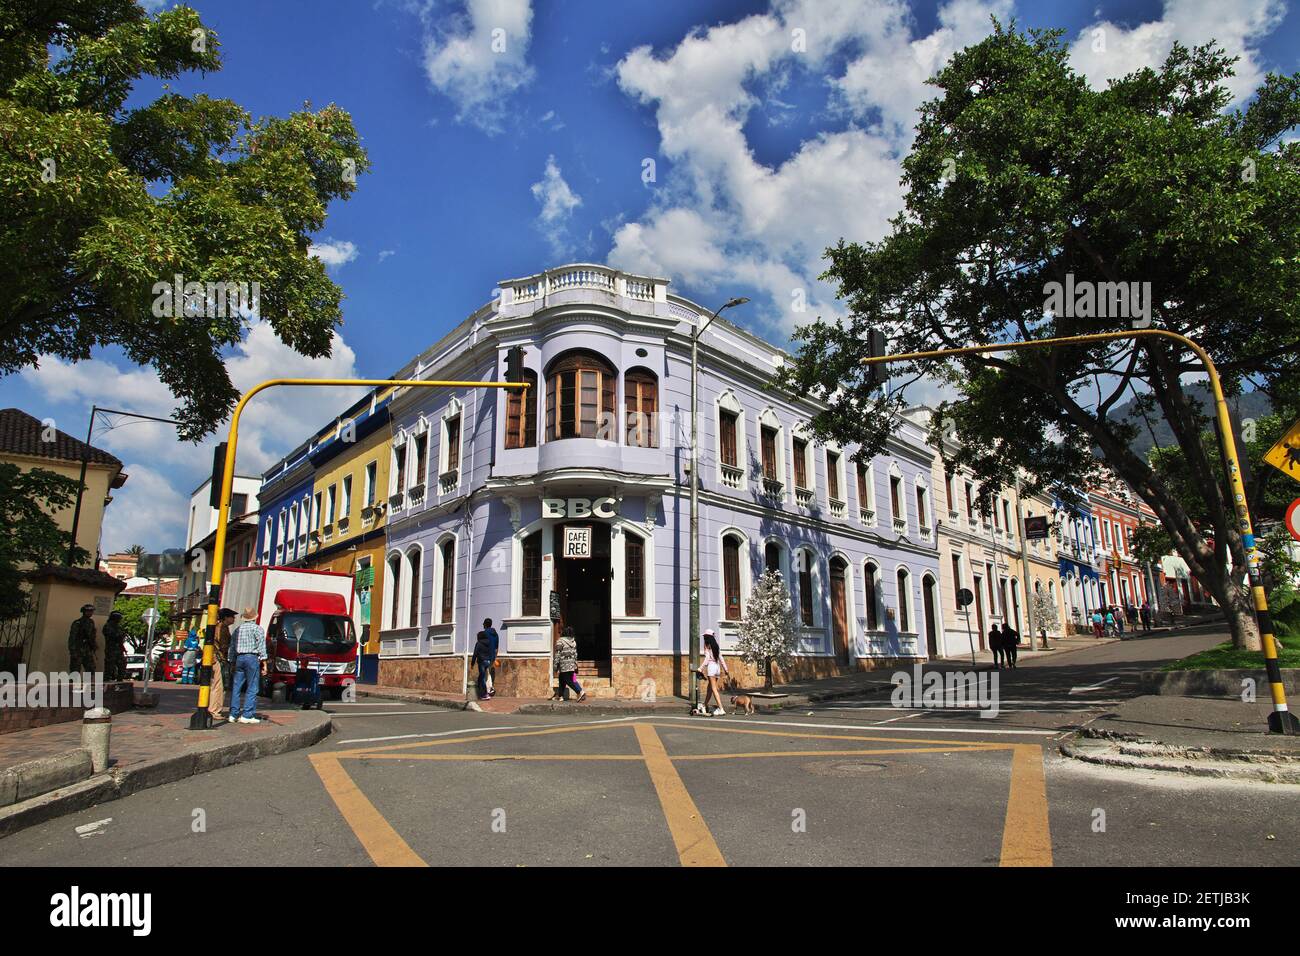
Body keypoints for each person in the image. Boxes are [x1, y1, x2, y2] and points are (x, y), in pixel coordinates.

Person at [229, 607, 266, 724]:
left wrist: (232, 661)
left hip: (239, 657)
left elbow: (232, 647)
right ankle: (247, 714)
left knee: (237, 686)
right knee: (252, 687)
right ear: (255, 617)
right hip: (252, 657)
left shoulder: (237, 630)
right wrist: (264, 663)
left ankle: (233, 713)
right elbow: (261, 647)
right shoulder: (258, 629)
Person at [209, 608, 237, 722]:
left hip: (215, 658)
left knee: (215, 685)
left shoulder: (218, 627)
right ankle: (215, 710)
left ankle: (213, 708)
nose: (234, 619)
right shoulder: (222, 629)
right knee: (219, 686)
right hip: (219, 658)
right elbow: (223, 645)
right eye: (232, 616)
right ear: (226, 618)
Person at [698, 630, 730, 715]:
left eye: (705, 637)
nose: (704, 638)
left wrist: (700, 668)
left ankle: (721, 708)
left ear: (707, 637)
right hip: (717, 668)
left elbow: (707, 658)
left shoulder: (707, 645)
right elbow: (721, 658)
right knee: (710, 689)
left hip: (711, 668)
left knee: (714, 688)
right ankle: (704, 705)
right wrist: (726, 669)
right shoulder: (716, 646)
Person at [552, 625, 586, 702]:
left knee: (567, 680)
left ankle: (580, 692)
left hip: (563, 665)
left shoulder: (560, 641)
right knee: (562, 679)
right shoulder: (573, 641)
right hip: (572, 665)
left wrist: (555, 666)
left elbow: (557, 654)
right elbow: (575, 654)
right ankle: (560, 696)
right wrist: (575, 663)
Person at [68, 604, 98, 673]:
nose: (90, 613)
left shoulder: (91, 622)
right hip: (78, 650)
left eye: (91, 611)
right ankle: (74, 683)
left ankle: (88, 683)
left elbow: (92, 636)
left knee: (90, 669)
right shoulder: (77, 623)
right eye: (88, 611)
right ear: (84, 612)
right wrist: (73, 651)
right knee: (75, 670)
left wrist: (94, 646)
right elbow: (72, 638)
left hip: (88, 650)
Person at [102, 610, 128, 681]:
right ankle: (106, 680)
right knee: (109, 666)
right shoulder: (108, 626)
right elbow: (113, 636)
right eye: (119, 618)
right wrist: (120, 635)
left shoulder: (118, 626)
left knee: (122, 664)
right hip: (111, 649)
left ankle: (120, 679)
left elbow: (122, 636)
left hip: (119, 649)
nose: (120, 620)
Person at [471, 628, 493, 700]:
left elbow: (475, 654)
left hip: (482, 662)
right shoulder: (489, 643)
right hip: (488, 661)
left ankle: (484, 694)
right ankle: (479, 692)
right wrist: (490, 660)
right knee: (481, 677)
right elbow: (491, 652)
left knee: (482, 677)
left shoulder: (479, 643)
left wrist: (472, 663)